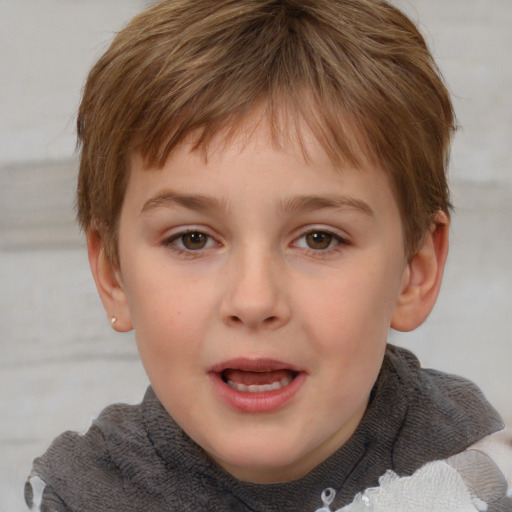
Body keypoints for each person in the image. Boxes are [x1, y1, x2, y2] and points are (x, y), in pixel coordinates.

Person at [25, 0, 512, 510]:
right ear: (113, 274)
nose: (254, 301)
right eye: (192, 239)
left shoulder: (472, 474)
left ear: (415, 271)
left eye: (319, 238)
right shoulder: (83, 497)